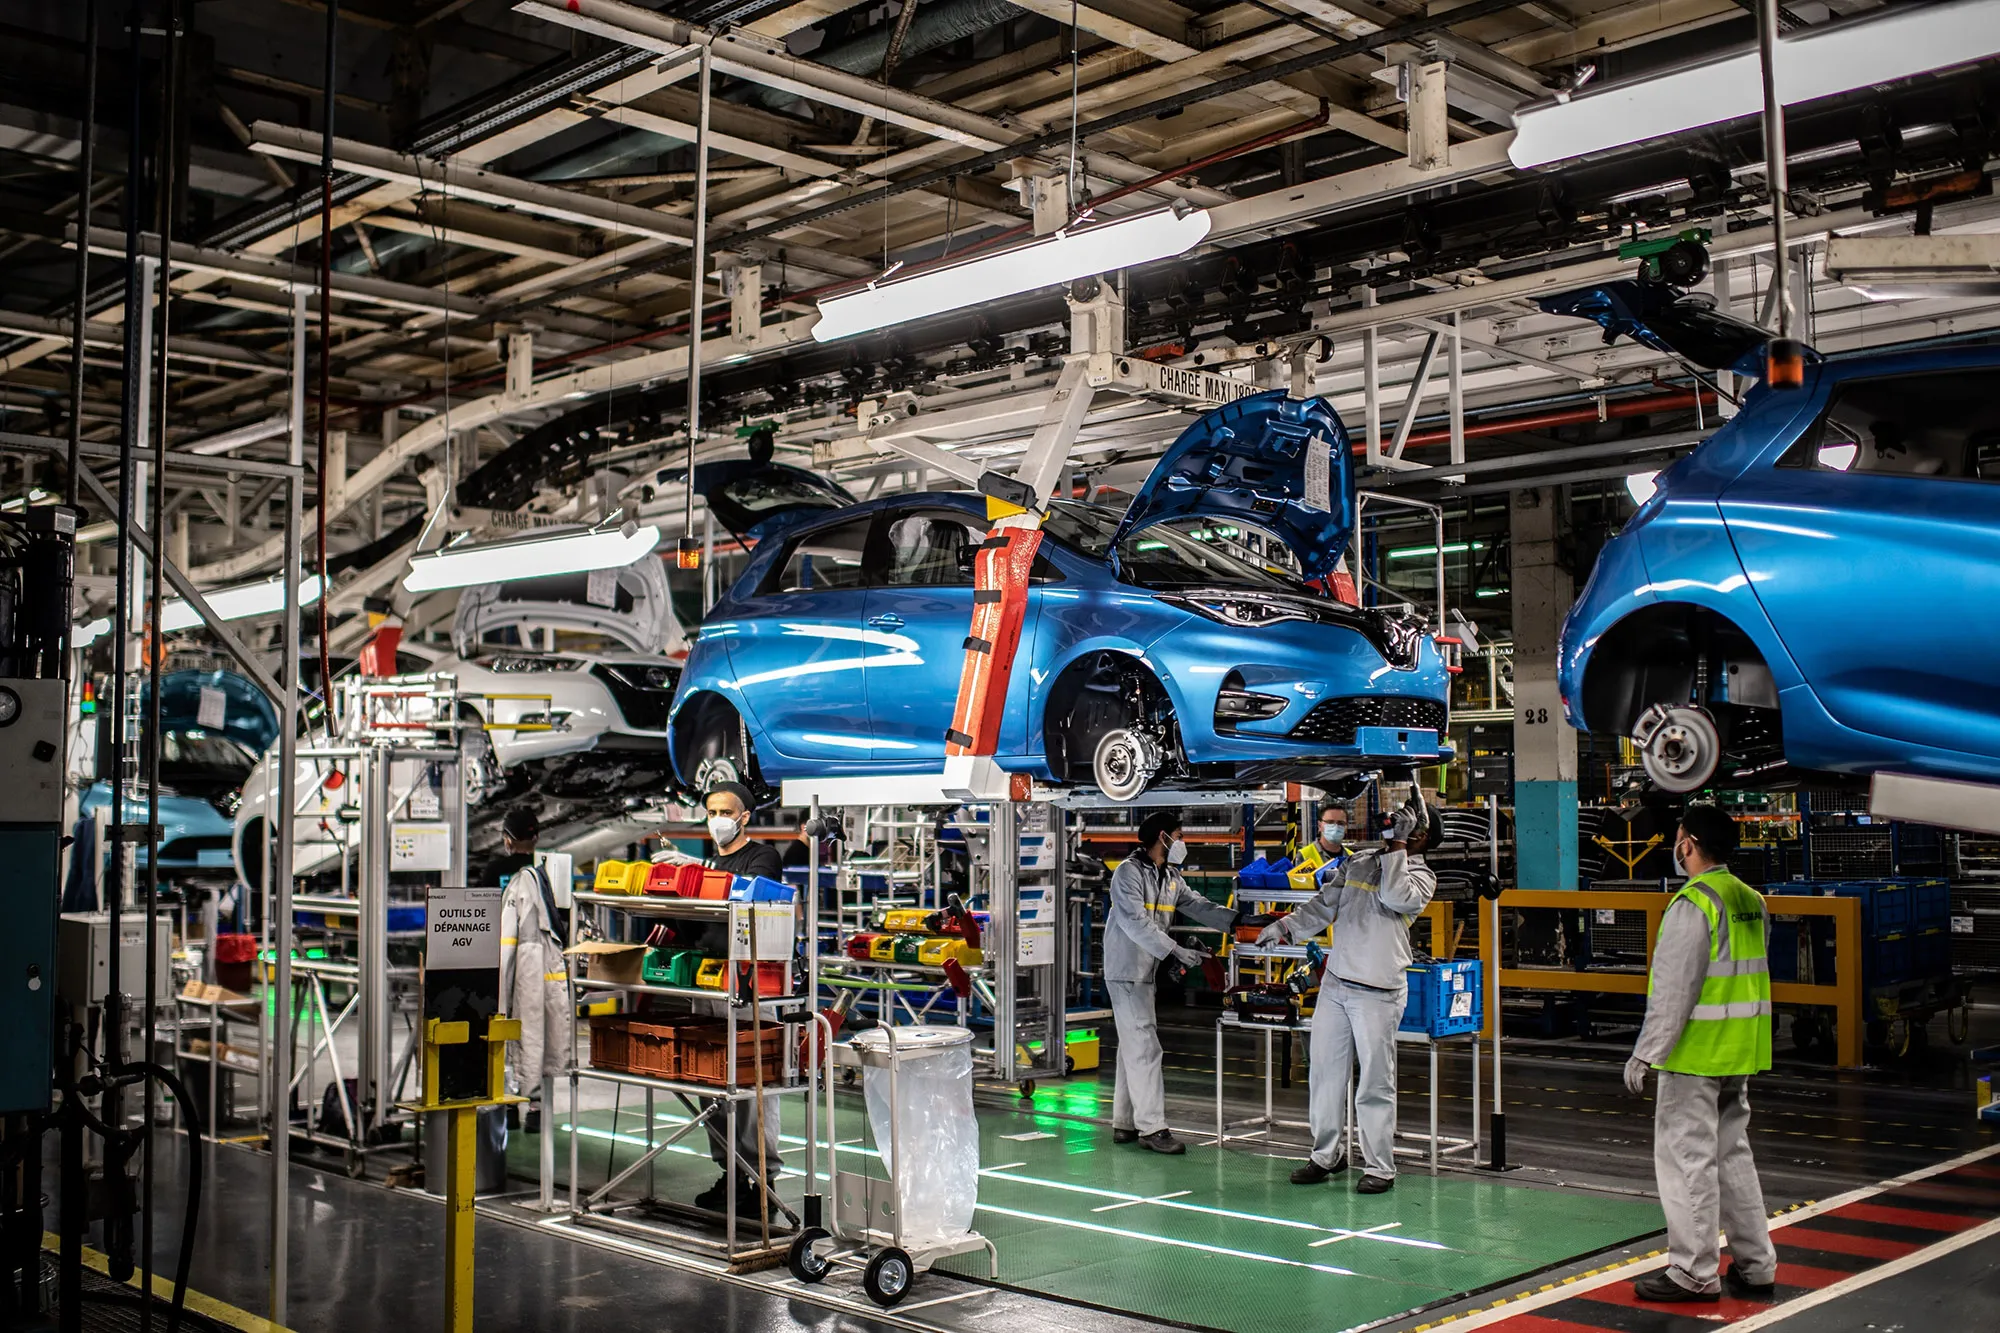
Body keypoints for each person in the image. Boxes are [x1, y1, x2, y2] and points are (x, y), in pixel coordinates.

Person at [1625, 802, 1777, 1303]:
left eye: (1679, 837)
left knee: (1687, 1163)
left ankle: (1693, 1272)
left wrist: (1645, 1053)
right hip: (1740, 1051)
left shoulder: (1694, 903)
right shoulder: (1749, 898)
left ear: (1688, 844)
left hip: (1693, 1057)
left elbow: (1675, 990)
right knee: (1732, 1157)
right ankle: (1756, 1266)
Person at [1259, 793, 1436, 1194]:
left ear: (1421, 837)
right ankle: (1326, 1155)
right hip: (1337, 984)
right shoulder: (1361, 860)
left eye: (1408, 826)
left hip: (1378, 992)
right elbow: (1325, 904)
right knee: (1324, 1074)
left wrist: (1399, 847)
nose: (1394, 826)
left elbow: (1394, 896)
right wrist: (1285, 927)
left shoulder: (1421, 877)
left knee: (1374, 1083)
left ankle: (1380, 1167)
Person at [1104, 808, 1239, 1154]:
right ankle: (1153, 1128)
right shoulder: (1128, 874)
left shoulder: (1170, 877)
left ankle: (1124, 1123)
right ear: (1162, 837)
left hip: (1145, 969)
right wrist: (1175, 950)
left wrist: (1237, 922)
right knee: (1145, 1046)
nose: (1183, 842)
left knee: (1132, 1046)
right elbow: (1135, 924)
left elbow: (1197, 905)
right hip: (1126, 970)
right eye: (1179, 836)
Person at [690, 781, 787, 1216]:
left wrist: (698, 873)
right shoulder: (712, 861)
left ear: (744, 816)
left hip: (748, 985)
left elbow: (745, 897)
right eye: (711, 811)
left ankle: (760, 1180)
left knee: (754, 1084)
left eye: (724, 811)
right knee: (712, 1082)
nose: (716, 820)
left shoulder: (762, 857)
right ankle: (731, 1172)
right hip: (707, 979)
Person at [497, 806, 566, 1135]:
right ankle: (533, 1106)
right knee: (534, 1034)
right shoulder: (544, 876)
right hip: (537, 970)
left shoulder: (506, 874)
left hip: (516, 967)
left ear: (507, 839)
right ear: (536, 837)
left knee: (513, 1031)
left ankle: (510, 1106)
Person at [1287, 804, 1350, 892]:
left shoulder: (1352, 857)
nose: (1335, 827)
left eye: (1341, 823)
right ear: (1320, 826)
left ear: (1346, 827)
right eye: (1330, 822)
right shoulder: (1303, 855)